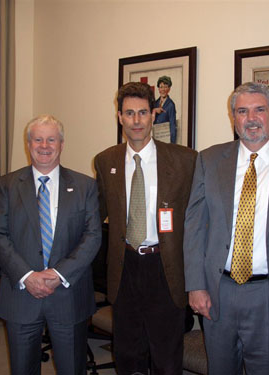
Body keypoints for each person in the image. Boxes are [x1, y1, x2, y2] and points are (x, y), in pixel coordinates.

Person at [184, 82, 269, 375]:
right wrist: (195, 285)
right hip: (218, 289)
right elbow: (194, 224)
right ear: (234, 118)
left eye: (259, 109)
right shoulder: (209, 159)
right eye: (242, 111)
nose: (251, 118)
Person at [94, 82, 197, 374]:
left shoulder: (185, 160)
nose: (136, 121)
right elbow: (94, 215)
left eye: (142, 113)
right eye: (129, 113)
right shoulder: (106, 161)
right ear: (119, 117)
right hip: (125, 266)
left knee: (166, 356)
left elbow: (197, 221)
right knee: (127, 353)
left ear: (153, 115)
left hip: (165, 267)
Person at [0, 114, 101, 375]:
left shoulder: (85, 186)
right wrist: (27, 276)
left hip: (68, 294)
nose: (44, 146)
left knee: (72, 368)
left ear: (62, 144)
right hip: (21, 293)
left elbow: (93, 235)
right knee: (23, 369)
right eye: (37, 139)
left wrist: (58, 274)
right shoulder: (6, 185)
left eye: (51, 139)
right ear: (28, 144)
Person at [153, 75, 177, 143]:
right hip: (155, 139)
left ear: (169, 89)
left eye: (165, 87)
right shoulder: (155, 103)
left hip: (165, 140)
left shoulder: (171, 105)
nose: (163, 90)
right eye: (161, 87)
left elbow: (173, 125)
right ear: (158, 89)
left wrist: (172, 144)